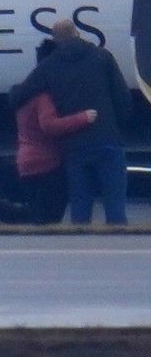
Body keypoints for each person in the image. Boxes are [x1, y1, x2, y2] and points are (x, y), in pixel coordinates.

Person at [10, 19, 131, 225]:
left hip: (75, 145)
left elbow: (18, 95)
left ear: (55, 39)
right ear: (77, 33)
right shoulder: (102, 57)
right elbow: (123, 99)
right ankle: (118, 241)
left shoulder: (49, 65)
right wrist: (114, 125)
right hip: (108, 140)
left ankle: (80, 244)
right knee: (115, 208)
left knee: (80, 210)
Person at [14, 39, 97, 224]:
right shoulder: (43, 96)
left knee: (38, 219)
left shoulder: (23, 95)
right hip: (47, 164)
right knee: (49, 220)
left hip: (26, 163)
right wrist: (83, 117)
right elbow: (49, 126)